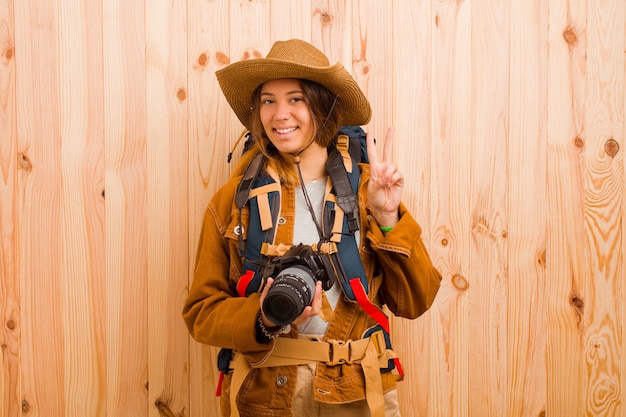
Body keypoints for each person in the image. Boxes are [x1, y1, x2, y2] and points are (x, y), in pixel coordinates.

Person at [182, 39, 442, 417]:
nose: (279, 114)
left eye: (296, 99)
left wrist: (388, 219)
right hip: (262, 395)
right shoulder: (234, 202)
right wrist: (265, 317)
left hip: (356, 392)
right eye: (268, 100)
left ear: (324, 105)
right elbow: (201, 313)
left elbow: (415, 301)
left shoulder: (371, 191)